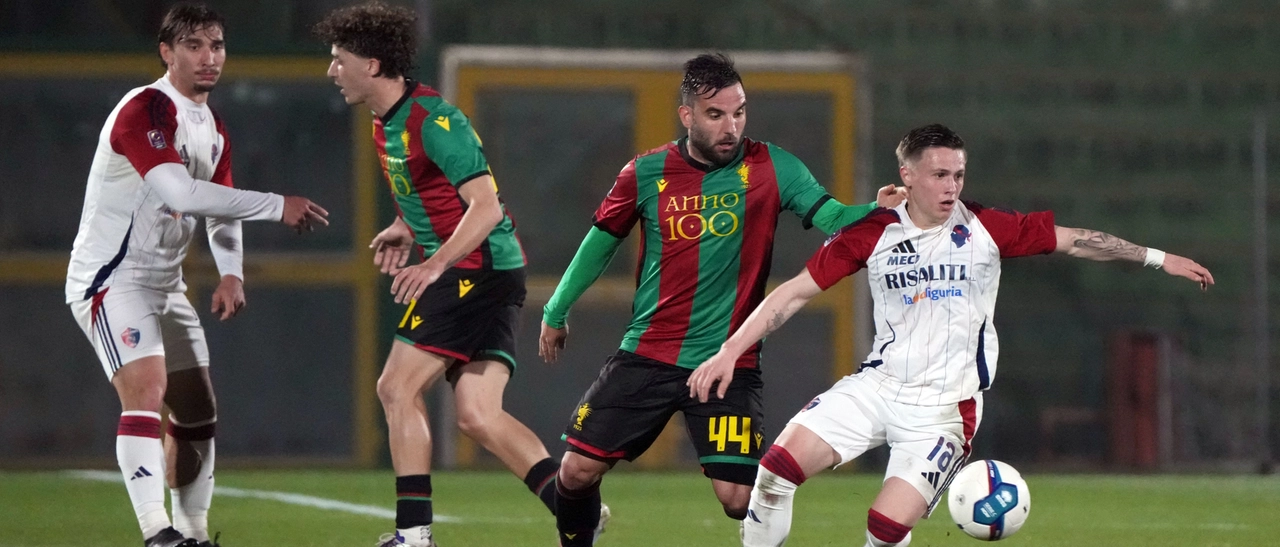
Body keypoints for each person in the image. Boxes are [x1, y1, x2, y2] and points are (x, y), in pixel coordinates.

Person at [688, 123, 1215, 547]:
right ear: (907, 176)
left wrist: (1159, 258)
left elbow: (1076, 241)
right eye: (939, 175)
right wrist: (731, 350)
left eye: (958, 175)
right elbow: (792, 293)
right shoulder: (872, 232)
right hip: (877, 388)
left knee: (885, 529)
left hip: (944, 412)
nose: (951, 187)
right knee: (775, 473)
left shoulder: (985, 227)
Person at [540, 52, 906, 546]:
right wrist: (555, 310)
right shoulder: (645, 173)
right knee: (576, 471)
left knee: (737, 497)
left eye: (739, 112)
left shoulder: (773, 166)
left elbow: (834, 219)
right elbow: (598, 245)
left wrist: (875, 211)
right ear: (687, 115)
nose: (731, 126)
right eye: (716, 115)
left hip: (728, 362)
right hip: (647, 355)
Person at [65, 4, 330, 547]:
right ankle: (156, 532)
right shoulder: (145, 110)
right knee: (147, 388)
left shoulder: (211, 126)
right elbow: (182, 193)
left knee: (198, 409)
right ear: (166, 52)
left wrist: (231, 273)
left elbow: (220, 207)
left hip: (165, 285)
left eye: (217, 45)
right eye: (194, 46)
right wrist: (279, 204)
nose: (209, 58)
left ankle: (193, 533)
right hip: (112, 279)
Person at [314, 3, 566, 546]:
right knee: (477, 414)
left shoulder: (435, 119)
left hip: (476, 269)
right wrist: (407, 226)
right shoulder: (388, 120)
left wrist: (433, 263)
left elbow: (486, 207)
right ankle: (575, 505)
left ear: (374, 65)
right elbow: (438, 194)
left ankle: (413, 536)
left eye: (340, 60)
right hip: (489, 270)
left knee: (396, 388)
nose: (332, 71)